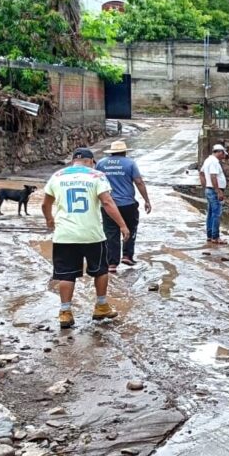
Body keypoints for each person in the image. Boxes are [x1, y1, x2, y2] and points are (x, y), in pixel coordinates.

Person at [42, 148, 130, 329]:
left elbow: (45, 204)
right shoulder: (97, 176)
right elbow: (107, 202)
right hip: (92, 235)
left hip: (64, 235)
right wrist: (122, 225)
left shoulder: (57, 176)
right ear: (91, 161)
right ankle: (101, 306)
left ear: (73, 161)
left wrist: (50, 220)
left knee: (65, 274)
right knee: (100, 270)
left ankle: (65, 312)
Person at [96, 140, 152, 273]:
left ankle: (112, 263)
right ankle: (127, 256)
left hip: (108, 204)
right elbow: (138, 181)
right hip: (128, 204)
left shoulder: (101, 163)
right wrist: (146, 200)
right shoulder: (130, 163)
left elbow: (95, 182)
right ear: (125, 152)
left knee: (111, 232)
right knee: (130, 229)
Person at [199, 143, 228, 245]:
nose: (224, 156)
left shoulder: (208, 160)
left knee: (211, 213)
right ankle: (215, 237)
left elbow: (201, 173)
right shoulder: (214, 162)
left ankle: (210, 235)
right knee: (216, 214)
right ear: (219, 152)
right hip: (214, 190)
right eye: (223, 153)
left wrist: (205, 186)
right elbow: (213, 176)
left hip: (209, 189)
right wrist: (218, 191)